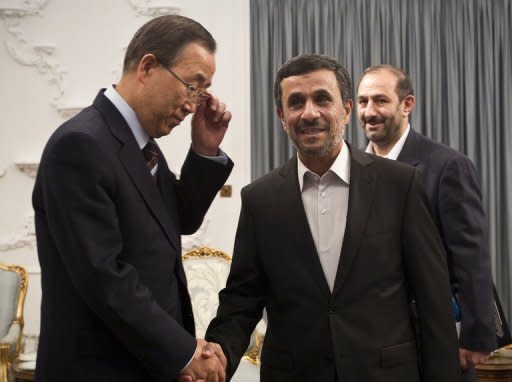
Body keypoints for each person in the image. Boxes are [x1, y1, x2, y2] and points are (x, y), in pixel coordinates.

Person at [205, 54, 460, 382]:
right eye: (296, 102)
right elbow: (243, 297)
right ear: (282, 116)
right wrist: (217, 356)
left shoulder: (400, 185)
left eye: (322, 99)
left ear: (347, 109)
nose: (309, 113)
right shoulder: (259, 199)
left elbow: (433, 301)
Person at [32, 15, 232, 382]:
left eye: (202, 93)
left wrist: (204, 151)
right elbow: (104, 276)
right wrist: (186, 352)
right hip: (98, 369)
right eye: (192, 86)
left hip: (143, 362)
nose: (193, 104)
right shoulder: (80, 144)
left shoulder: (143, 147)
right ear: (148, 66)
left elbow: (179, 220)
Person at [357, 64, 496, 382]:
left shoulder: (447, 166)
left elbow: (471, 257)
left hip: (434, 337)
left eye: (380, 100)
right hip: (371, 341)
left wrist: (475, 336)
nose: (369, 111)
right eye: (363, 102)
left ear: (407, 104)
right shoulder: (352, 170)